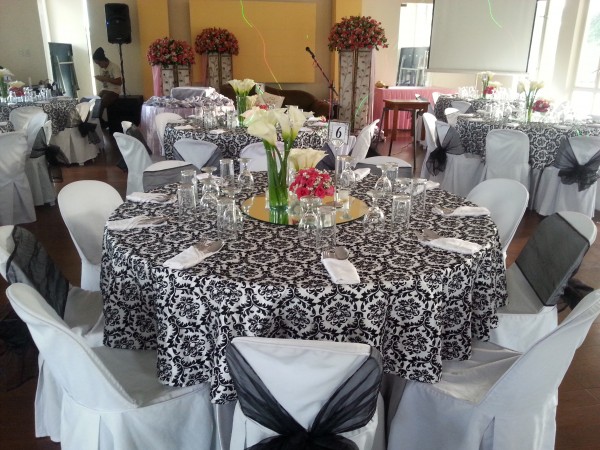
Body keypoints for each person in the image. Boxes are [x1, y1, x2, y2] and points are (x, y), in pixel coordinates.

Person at [92, 47, 122, 128]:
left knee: (101, 104)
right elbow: (105, 82)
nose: (99, 65)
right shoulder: (101, 68)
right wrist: (100, 79)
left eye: (99, 63)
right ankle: (100, 123)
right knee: (95, 103)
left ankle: (100, 124)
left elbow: (119, 82)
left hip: (114, 91)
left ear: (103, 60)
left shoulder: (114, 67)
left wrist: (105, 78)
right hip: (105, 90)